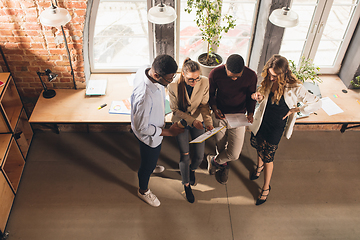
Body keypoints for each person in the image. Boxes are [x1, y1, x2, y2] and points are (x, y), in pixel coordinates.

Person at [249, 54, 322, 205]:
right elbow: (264, 97)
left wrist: (298, 109)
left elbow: (316, 103)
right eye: (269, 74)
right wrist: (258, 96)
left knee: (269, 157)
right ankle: (259, 166)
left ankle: (266, 187)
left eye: (274, 76)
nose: (271, 78)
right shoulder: (269, 80)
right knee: (258, 145)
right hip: (263, 120)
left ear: (283, 74)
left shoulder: (295, 87)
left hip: (276, 126)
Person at [131, 54, 184, 207]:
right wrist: (169, 132)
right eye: (169, 79)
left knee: (151, 160)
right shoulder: (144, 97)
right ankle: (143, 190)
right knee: (146, 166)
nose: (171, 81)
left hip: (154, 123)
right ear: (156, 75)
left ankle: (152, 165)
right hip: (149, 137)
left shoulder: (145, 69)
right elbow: (142, 127)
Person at [168, 58, 214, 203]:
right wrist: (192, 121)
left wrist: (208, 122)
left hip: (198, 120)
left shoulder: (205, 82)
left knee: (199, 156)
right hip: (181, 121)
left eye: (197, 78)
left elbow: (204, 105)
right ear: (183, 74)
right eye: (190, 79)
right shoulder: (173, 85)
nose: (194, 82)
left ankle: (191, 170)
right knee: (185, 155)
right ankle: (186, 184)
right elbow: (175, 110)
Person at [207, 54, 257, 184]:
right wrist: (214, 108)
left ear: (243, 70)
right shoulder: (215, 73)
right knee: (220, 145)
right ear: (225, 68)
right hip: (220, 115)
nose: (234, 78)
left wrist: (251, 112)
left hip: (239, 116)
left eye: (237, 76)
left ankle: (215, 161)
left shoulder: (251, 76)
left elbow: (251, 96)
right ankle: (223, 166)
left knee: (234, 154)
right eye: (231, 76)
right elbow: (211, 94)